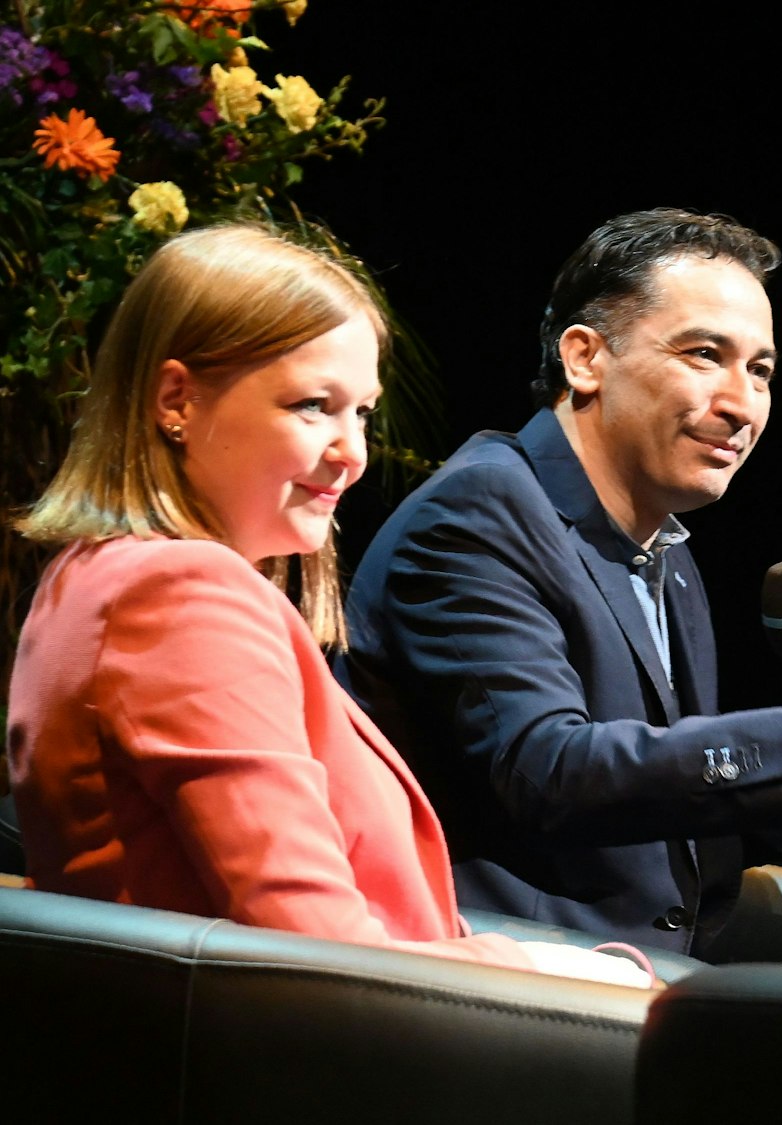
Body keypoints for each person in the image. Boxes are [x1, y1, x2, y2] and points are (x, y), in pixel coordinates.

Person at [337, 209, 782, 953]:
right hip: (521, 961)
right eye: (704, 354)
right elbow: (551, 771)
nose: (741, 404)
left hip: (673, 948)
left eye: (761, 370)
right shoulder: (482, 511)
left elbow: (678, 788)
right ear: (585, 357)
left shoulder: (664, 544)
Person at [6, 225, 648, 986]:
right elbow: (319, 954)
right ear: (176, 399)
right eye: (314, 406)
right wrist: (539, 969)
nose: (353, 452)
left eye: (364, 413)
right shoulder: (179, 596)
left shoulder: (92, 574)